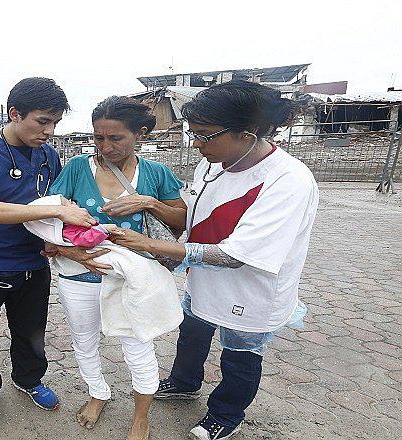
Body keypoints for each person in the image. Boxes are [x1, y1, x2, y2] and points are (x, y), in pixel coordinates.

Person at [107, 80, 319, 440]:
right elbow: (198, 218)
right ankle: (184, 382)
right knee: (192, 333)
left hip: (251, 291)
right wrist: (155, 211)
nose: (197, 144)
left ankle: (225, 413)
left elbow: (235, 256)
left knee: (240, 356)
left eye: (205, 135)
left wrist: (154, 246)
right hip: (204, 279)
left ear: (246, 134)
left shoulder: (287, 180)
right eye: (194, 134)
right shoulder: (213, 164)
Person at [0, 77, 95, 439]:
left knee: (31, 334)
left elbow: (57, 203)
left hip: (32, 265)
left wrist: (63, 238)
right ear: (14, 114)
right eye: (42, 121)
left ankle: (29, 380)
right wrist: (57, 212)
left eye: (55, 123)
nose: (49, 132)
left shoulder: (48, 155)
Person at [45, 96, 187, 440]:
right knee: (84, 342)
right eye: (98, 137)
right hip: (78, 276)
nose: (105, 147)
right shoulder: (77, 168)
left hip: (133, 279)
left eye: (116, 138)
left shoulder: (155, 173)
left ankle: (141, 417)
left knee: (138, 346)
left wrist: (148, 202)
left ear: (140, 134)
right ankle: (98, 393)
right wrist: (71, 251)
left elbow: (180, 221)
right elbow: (50, 218)